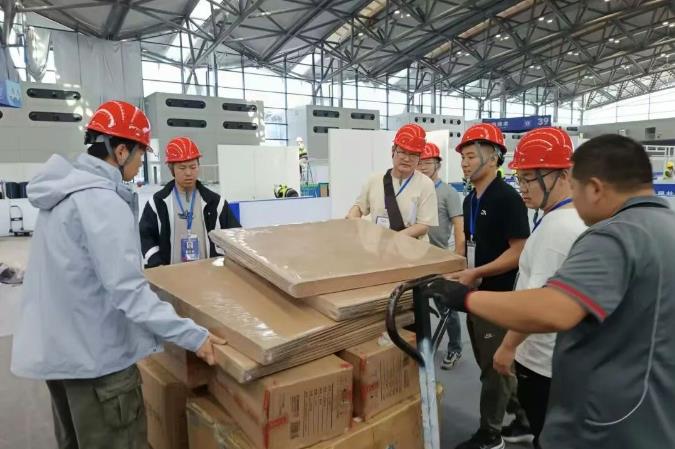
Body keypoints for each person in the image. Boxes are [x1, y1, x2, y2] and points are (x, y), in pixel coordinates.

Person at [421, 134, 675, 449]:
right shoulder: (662, 224)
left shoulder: (611, 235)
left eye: (576, 187)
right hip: (651, 401)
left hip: (609, 415)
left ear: (594, 188)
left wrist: (464, 298)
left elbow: (553, 308)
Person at [11, 101, 224, 449]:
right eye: (140, 154)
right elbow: (128, 292)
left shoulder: (61, 194)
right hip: (98, 367)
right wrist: (194, 336)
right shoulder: (101, 201)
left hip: (61, 360)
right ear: (121, 151)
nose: (140, 165)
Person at [491, 128, 586, 448]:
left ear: (563, 175)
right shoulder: (572, 217)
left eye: (530, 178)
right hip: (561, 356)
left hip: (544, 361)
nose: (523, 187)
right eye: (519, 178)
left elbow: (536, 304)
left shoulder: (557, 228)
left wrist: (508, 347)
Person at [453, 123, 531, 449]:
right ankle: (523, 415)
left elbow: (519, 251)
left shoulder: (507, 199)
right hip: (476, 293)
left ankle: (491, 434)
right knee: (494, 362)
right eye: (463, 157)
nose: (464, 163)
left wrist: (478, 272)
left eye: (471, 156)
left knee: (493, 368)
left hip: (499, 296)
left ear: (493, 158)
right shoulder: (470, 200)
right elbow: (472, 245)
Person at [139, 136, 240, 268]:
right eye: (182, 168)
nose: (188, 173)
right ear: (171, 169)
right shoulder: (157, 203)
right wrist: (157, 264)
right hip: (171, 275)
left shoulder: (216, 203)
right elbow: (146, 237)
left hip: (209, 274)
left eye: (193, 167)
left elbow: (235, 235)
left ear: (198, 166)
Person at [418, 142, 465, 370]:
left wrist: (457, 259)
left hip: (440, 261)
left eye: (427, 162)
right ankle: (426, 345)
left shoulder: (448, 193)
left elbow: (459, 228)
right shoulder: (416, 190)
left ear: (437, 164)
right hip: (417, 260)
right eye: (420, 163)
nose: (423, 167)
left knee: (447, 307)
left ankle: (455, 348)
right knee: (419, 308)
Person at [346, 123, 438, 238]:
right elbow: (359, 207)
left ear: (419, 157)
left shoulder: (425, 184)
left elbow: (423, 225)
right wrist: (353, 218)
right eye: (402, 152)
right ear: (393, 150)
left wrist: (393, 239)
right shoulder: (374, 180)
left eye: (413, 154)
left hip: (412, 246)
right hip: (378, 244)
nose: (407, 159)